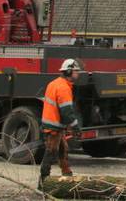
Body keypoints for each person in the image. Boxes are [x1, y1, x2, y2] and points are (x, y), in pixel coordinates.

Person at [39, 58, 82, 186]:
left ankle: (67, 176)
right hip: (54, 127)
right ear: (68, 72)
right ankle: (42, 182)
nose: (77, 74)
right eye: (76, 71)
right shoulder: (63, 88)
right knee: (51, 152)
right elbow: (67, 111)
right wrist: (75, 128)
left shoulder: (53, 83)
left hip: (53, 124)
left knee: (63, 150)